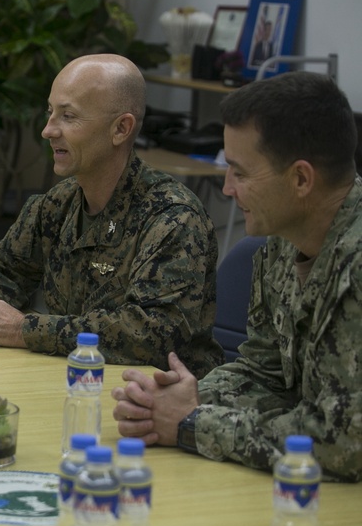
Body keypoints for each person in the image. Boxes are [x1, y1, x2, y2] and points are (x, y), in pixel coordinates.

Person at [112, 71, 362, 483]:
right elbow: (265, 370)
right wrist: (178, 402)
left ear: (301, 179)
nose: (227, 189)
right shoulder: (284, 238)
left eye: (240, 173)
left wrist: (192, 425)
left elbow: (341, 444)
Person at [0, 54, 224, 375]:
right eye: (50, 113)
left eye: (69, 116)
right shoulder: (57, 204)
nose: (48, 130)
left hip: (157, 398)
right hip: (75, 378)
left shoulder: (172, 216)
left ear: (121, 128)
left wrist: (23, 329)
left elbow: (153, 333)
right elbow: (2, 269)